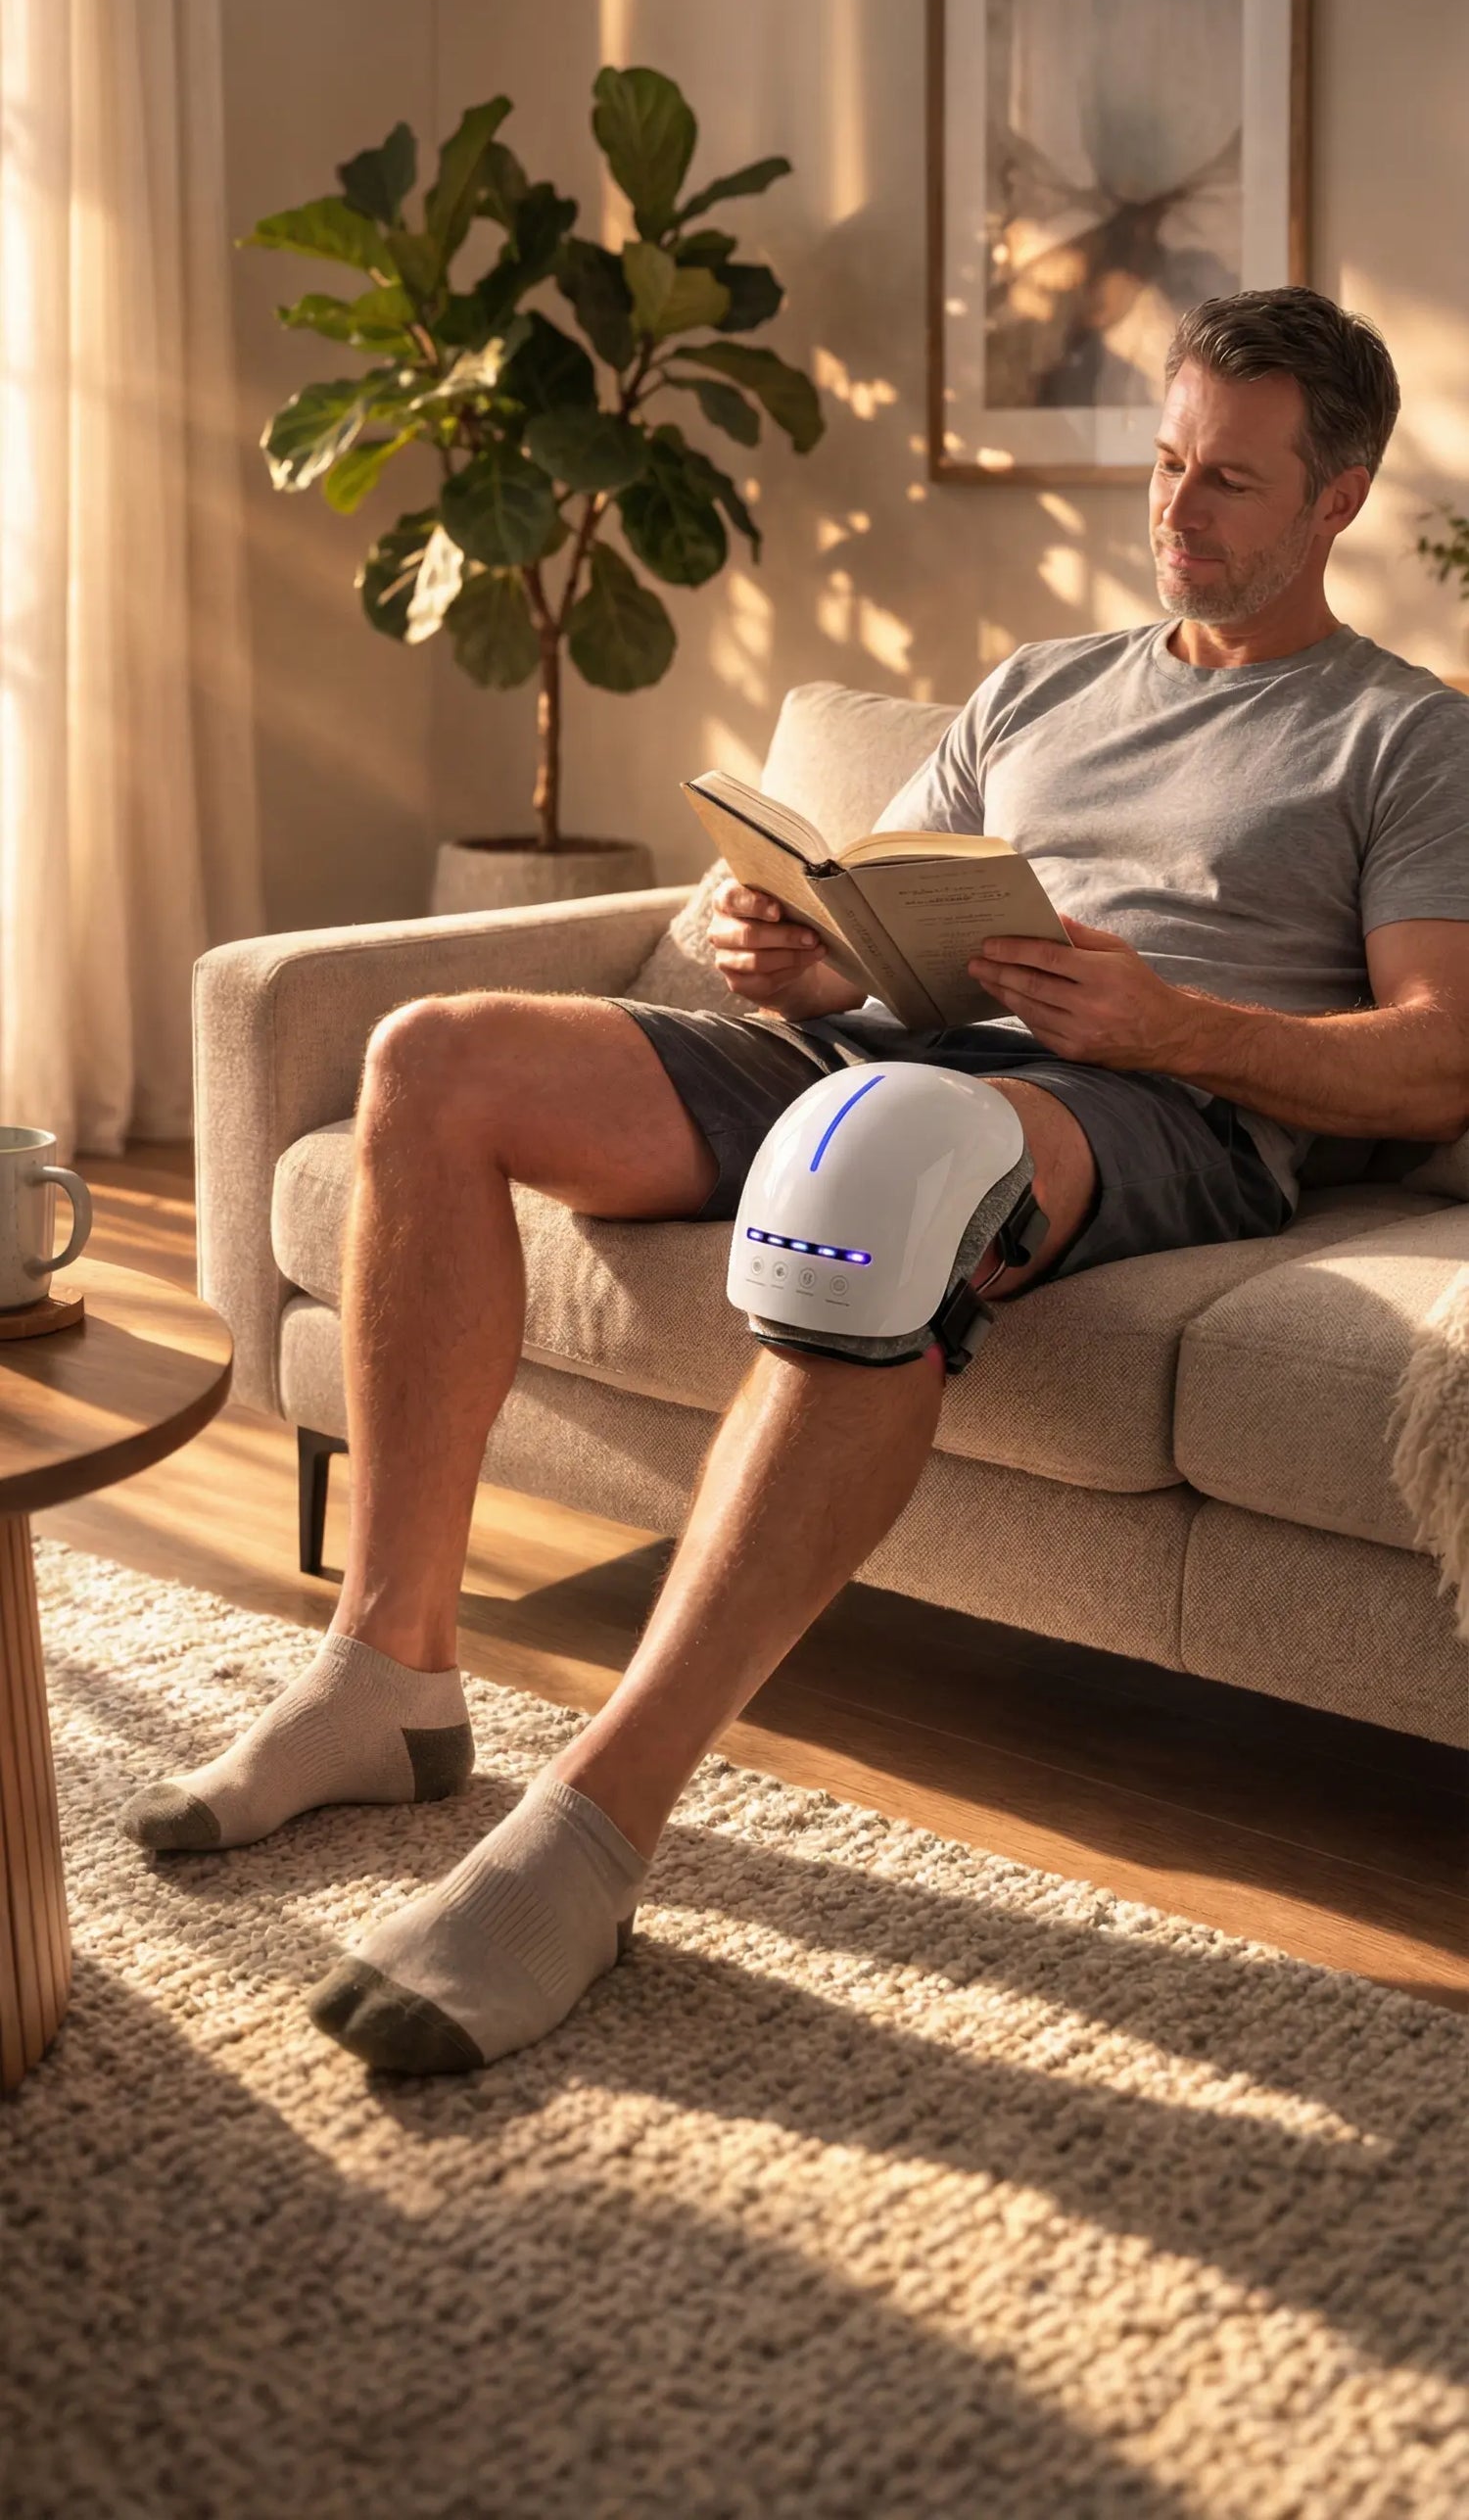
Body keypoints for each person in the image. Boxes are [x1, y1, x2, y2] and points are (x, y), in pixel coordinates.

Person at [120, 286, 1469, 2077]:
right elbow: (893, 928)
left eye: (1229, 480)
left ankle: (596, 1831)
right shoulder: (1040, 689)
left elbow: (1437, 1054)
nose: (1177, 511)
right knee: (433, 1057)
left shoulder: (1404, 736)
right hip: (910, 1052)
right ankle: (388, 1677)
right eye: (1163, 463)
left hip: (1157, 1109)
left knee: (882, 1166)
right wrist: (812, 964)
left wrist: (1176, 1023)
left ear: (1339, 498)